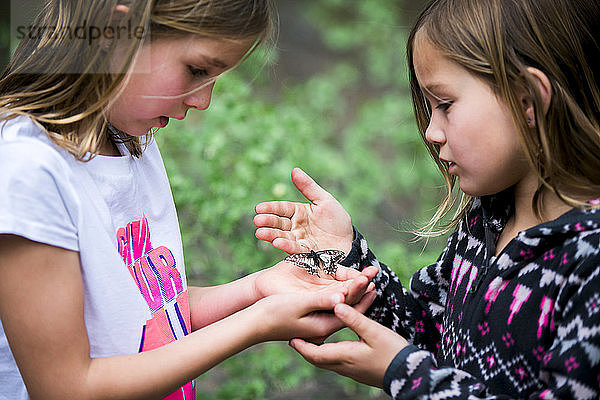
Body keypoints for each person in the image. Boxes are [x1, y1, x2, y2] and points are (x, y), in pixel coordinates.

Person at [0, 1, 378, 399]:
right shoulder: (27, 169)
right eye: (197, 70)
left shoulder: (131, 145)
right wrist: (258, 323)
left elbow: (149, 316)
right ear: (117, 29)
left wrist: (260, 290)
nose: (203, 101)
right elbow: (68, 387)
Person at [253, 0, 600, 398]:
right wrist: (347, 255)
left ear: (527, 99)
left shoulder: (589, 260)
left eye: (445, 104)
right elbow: (426, 331)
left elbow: (419, 368)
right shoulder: (485, 222)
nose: (432, 131)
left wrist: (409, 377)